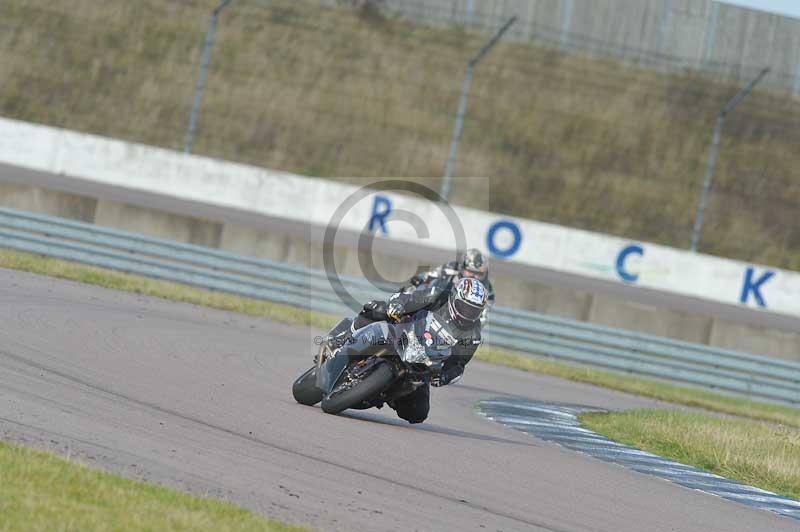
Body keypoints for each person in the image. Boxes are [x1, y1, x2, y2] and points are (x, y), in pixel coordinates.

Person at [344, 277, 487, 424]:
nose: (468, 313)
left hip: (423, 363)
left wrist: (443, 377)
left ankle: (388, 395)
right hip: (401, 331)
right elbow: (407, 298)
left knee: (418, 412)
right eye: (465, 307)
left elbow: (458, 365)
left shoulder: (473, 335)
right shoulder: (437, 296)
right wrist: (397, 305)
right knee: (377, 309)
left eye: (473, 311)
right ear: (454, 297)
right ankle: (346, 336)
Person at [403, 248, 495, 323]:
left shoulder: (487, 290)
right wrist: (419, 279)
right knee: (428, 286)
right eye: (470, 271)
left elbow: (483, 316)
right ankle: (405, 309)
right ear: (462, 268)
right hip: (437, 305)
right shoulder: (451, 268)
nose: (474, 276)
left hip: (460, 320)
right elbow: (430, 275)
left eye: (478, 274)